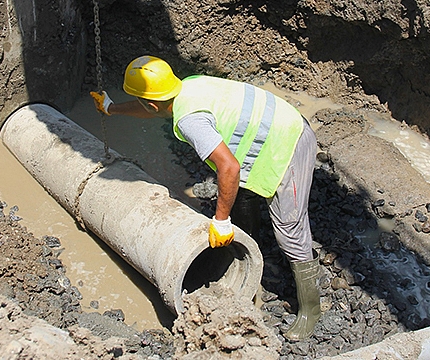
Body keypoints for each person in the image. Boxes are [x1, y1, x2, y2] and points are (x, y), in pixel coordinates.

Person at [90, 55, 320, 341]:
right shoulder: (187, 86)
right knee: (243, 196)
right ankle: (249, 246)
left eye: (140, 101)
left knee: (290, 230)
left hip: (290, 140)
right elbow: (151, 108)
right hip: (274, 124)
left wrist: (221, 220)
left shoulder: (190, 121)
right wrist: (112, 109)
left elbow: (229, 167)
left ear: (152, 102)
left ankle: (312, 310)